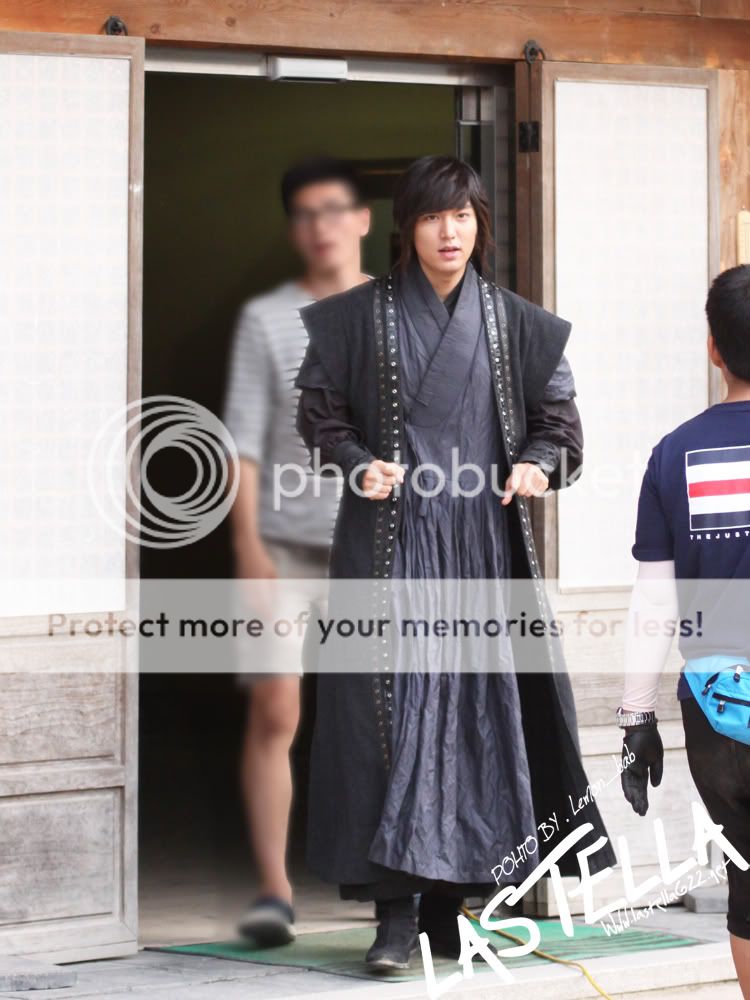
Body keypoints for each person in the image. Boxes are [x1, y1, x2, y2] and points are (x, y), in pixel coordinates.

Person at [294, 154, 616, 971]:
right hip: (390, 545)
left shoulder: (519, 325)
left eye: (463, 215)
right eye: (435, 216)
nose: (450, 232)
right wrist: (357, 463)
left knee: (476, 717)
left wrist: (536, 464)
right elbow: (320, 418)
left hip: (480, 547)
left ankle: (450, 905)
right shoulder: (354, 318)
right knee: (389, 718)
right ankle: (394, 915)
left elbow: (561, 428)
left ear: (480, 224)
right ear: (407, 226)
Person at [222, 157, 371, 946]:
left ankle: (391, 879)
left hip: (376, 547)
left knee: (385, 715)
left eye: (334, 209)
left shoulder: (398, 306)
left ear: (363, 219)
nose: (321, 226)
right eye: (306, 213)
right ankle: (274, 890)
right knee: (277, 709)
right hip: (284, 547)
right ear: (294, 228)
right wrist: (247, 548)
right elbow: (241, 441)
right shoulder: (267, 319)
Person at [618, 264, 750, 998]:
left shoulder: (674, 455)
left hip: (718, 709)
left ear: (713, 348)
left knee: (748, 888)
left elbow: (654, 601)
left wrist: (635, 717)